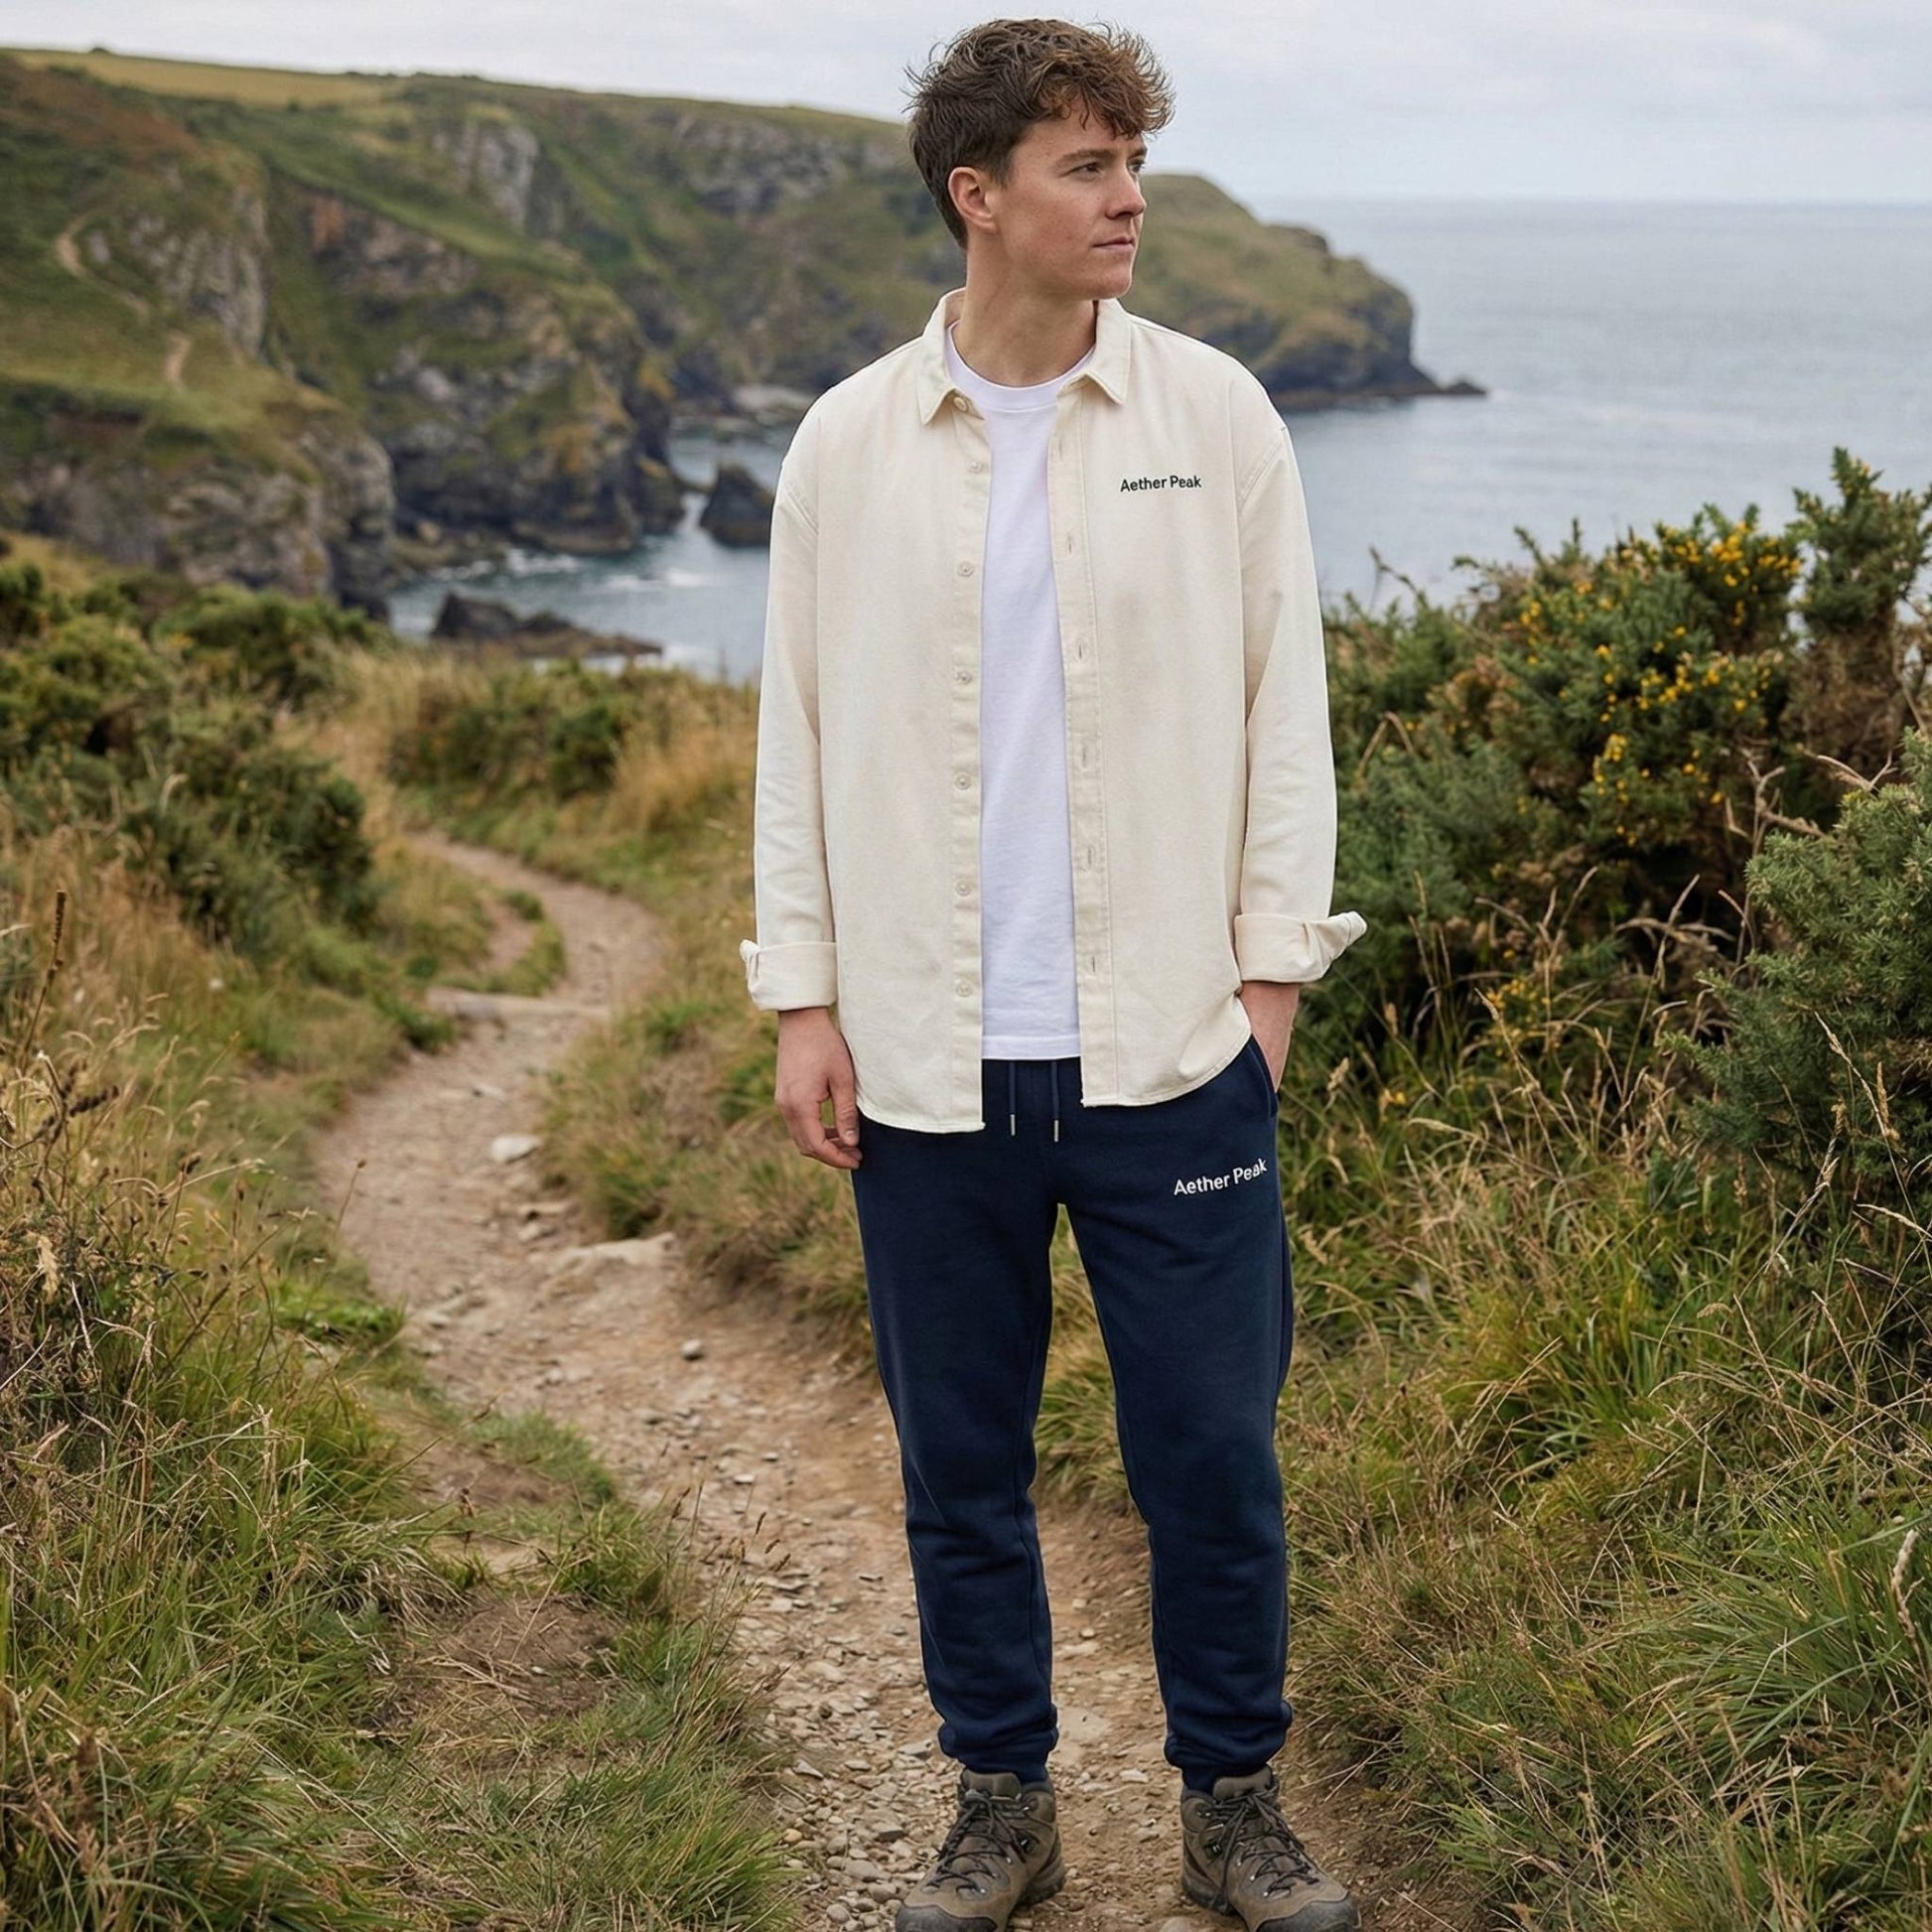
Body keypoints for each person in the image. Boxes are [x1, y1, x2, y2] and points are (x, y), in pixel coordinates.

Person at [737, 17, 1366, 1932]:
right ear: (978, 194)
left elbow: (1287, 722)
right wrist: (805, 998)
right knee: (961, 1464)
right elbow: (797, 730)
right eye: (1086, 165)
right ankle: (999, 1803)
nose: (1128, 197)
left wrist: (1266, 995)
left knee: (1208, 1455)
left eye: (1132, 159)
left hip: (1173, 1052)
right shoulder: (848, 441)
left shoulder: (1218, 421)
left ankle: (1233, 1806)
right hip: (929, 1061)